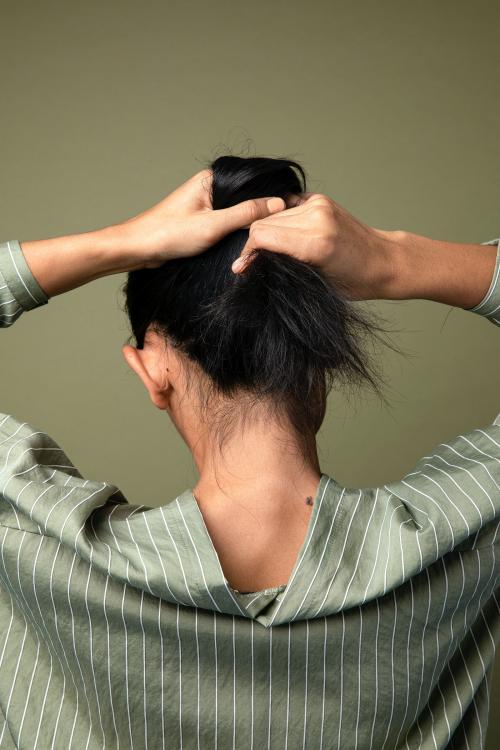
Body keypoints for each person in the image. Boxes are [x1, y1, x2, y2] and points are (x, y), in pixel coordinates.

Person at [0, 155, 498, 750]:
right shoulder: (466, 533)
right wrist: (394, 260)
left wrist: (119, 242)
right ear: (321, 355)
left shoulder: (31, 541)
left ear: (153, 370)